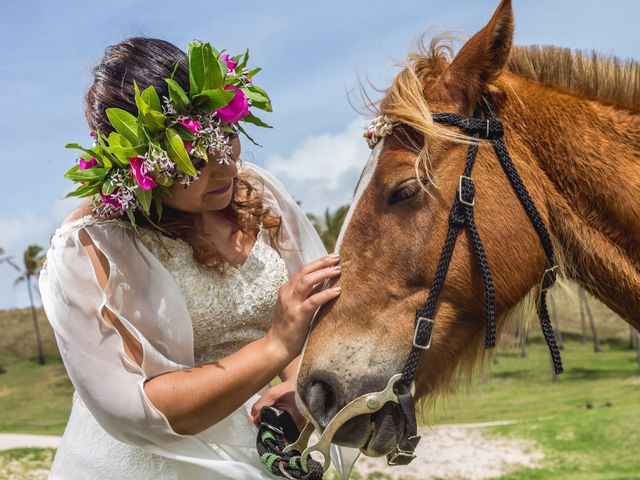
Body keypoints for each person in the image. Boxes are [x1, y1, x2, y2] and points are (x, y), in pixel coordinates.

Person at [40, 37, 357, 479]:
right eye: (193, 156)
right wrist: (274, 347)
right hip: (148, 463)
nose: (225, 166)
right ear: (142, 168)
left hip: (255, 447)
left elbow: (311, 309)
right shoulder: (93, 244)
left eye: (226, 135)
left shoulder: (258, 193)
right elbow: (137, 409)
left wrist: (297, 382)